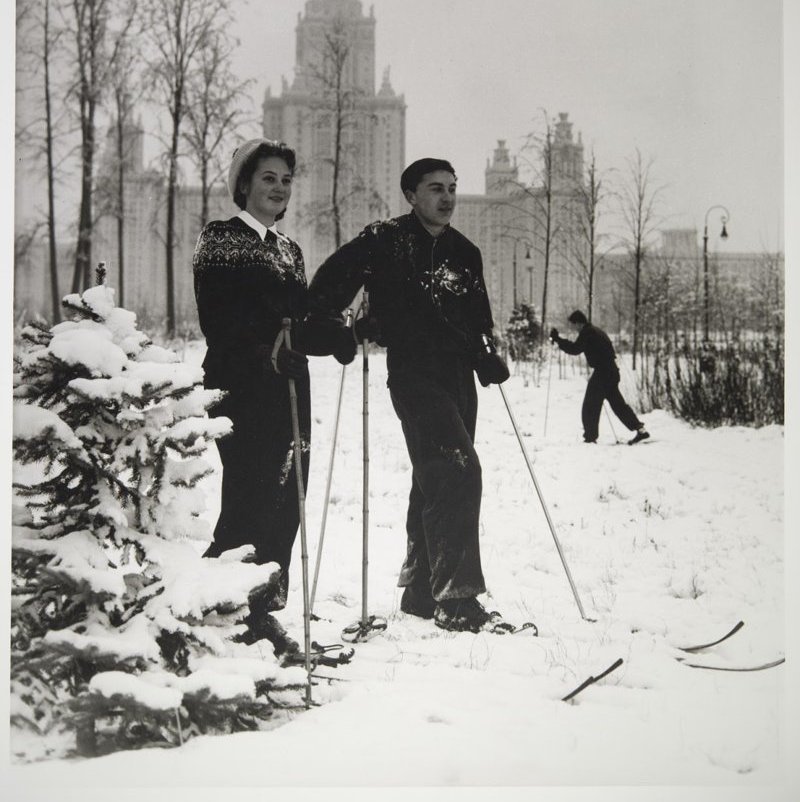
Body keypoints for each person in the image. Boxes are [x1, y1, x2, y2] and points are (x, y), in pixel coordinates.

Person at [307, 157, 510, 633]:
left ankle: (420, 591)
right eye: (435, 188)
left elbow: (477, 319)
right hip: (414, 375)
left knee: (435, 477)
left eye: (453, 188)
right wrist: (345, 329)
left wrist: (485, 355)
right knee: (461, 471)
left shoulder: (465, 251)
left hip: (458, 375)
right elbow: (326, 289)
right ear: (411, 195)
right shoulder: (384, 241)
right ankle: (457, 598)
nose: (447, 197)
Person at [192, 138, 353, 656]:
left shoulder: (290, 250)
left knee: (287, 502)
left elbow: (300, 321)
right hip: (241, 387)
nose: (279, 188)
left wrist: (338, 336)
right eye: (268, 178)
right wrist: (267, 352)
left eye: (286, 179)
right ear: (244, 184)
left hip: (288, 389)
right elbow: (222, 322)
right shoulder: (220, 239)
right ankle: (216, 609)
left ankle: (258, 614)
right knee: (250, 500)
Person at [549, 310, 649, 445]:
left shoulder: (587, 332)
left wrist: (558, 339)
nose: (573, 328)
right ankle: (640, 429)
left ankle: (590, 438)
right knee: (618, 405)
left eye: (573, 325)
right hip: (612, 371)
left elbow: (575, 349)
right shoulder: (596, 330)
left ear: (579, 323)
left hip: (603, 372)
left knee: (590, 405)